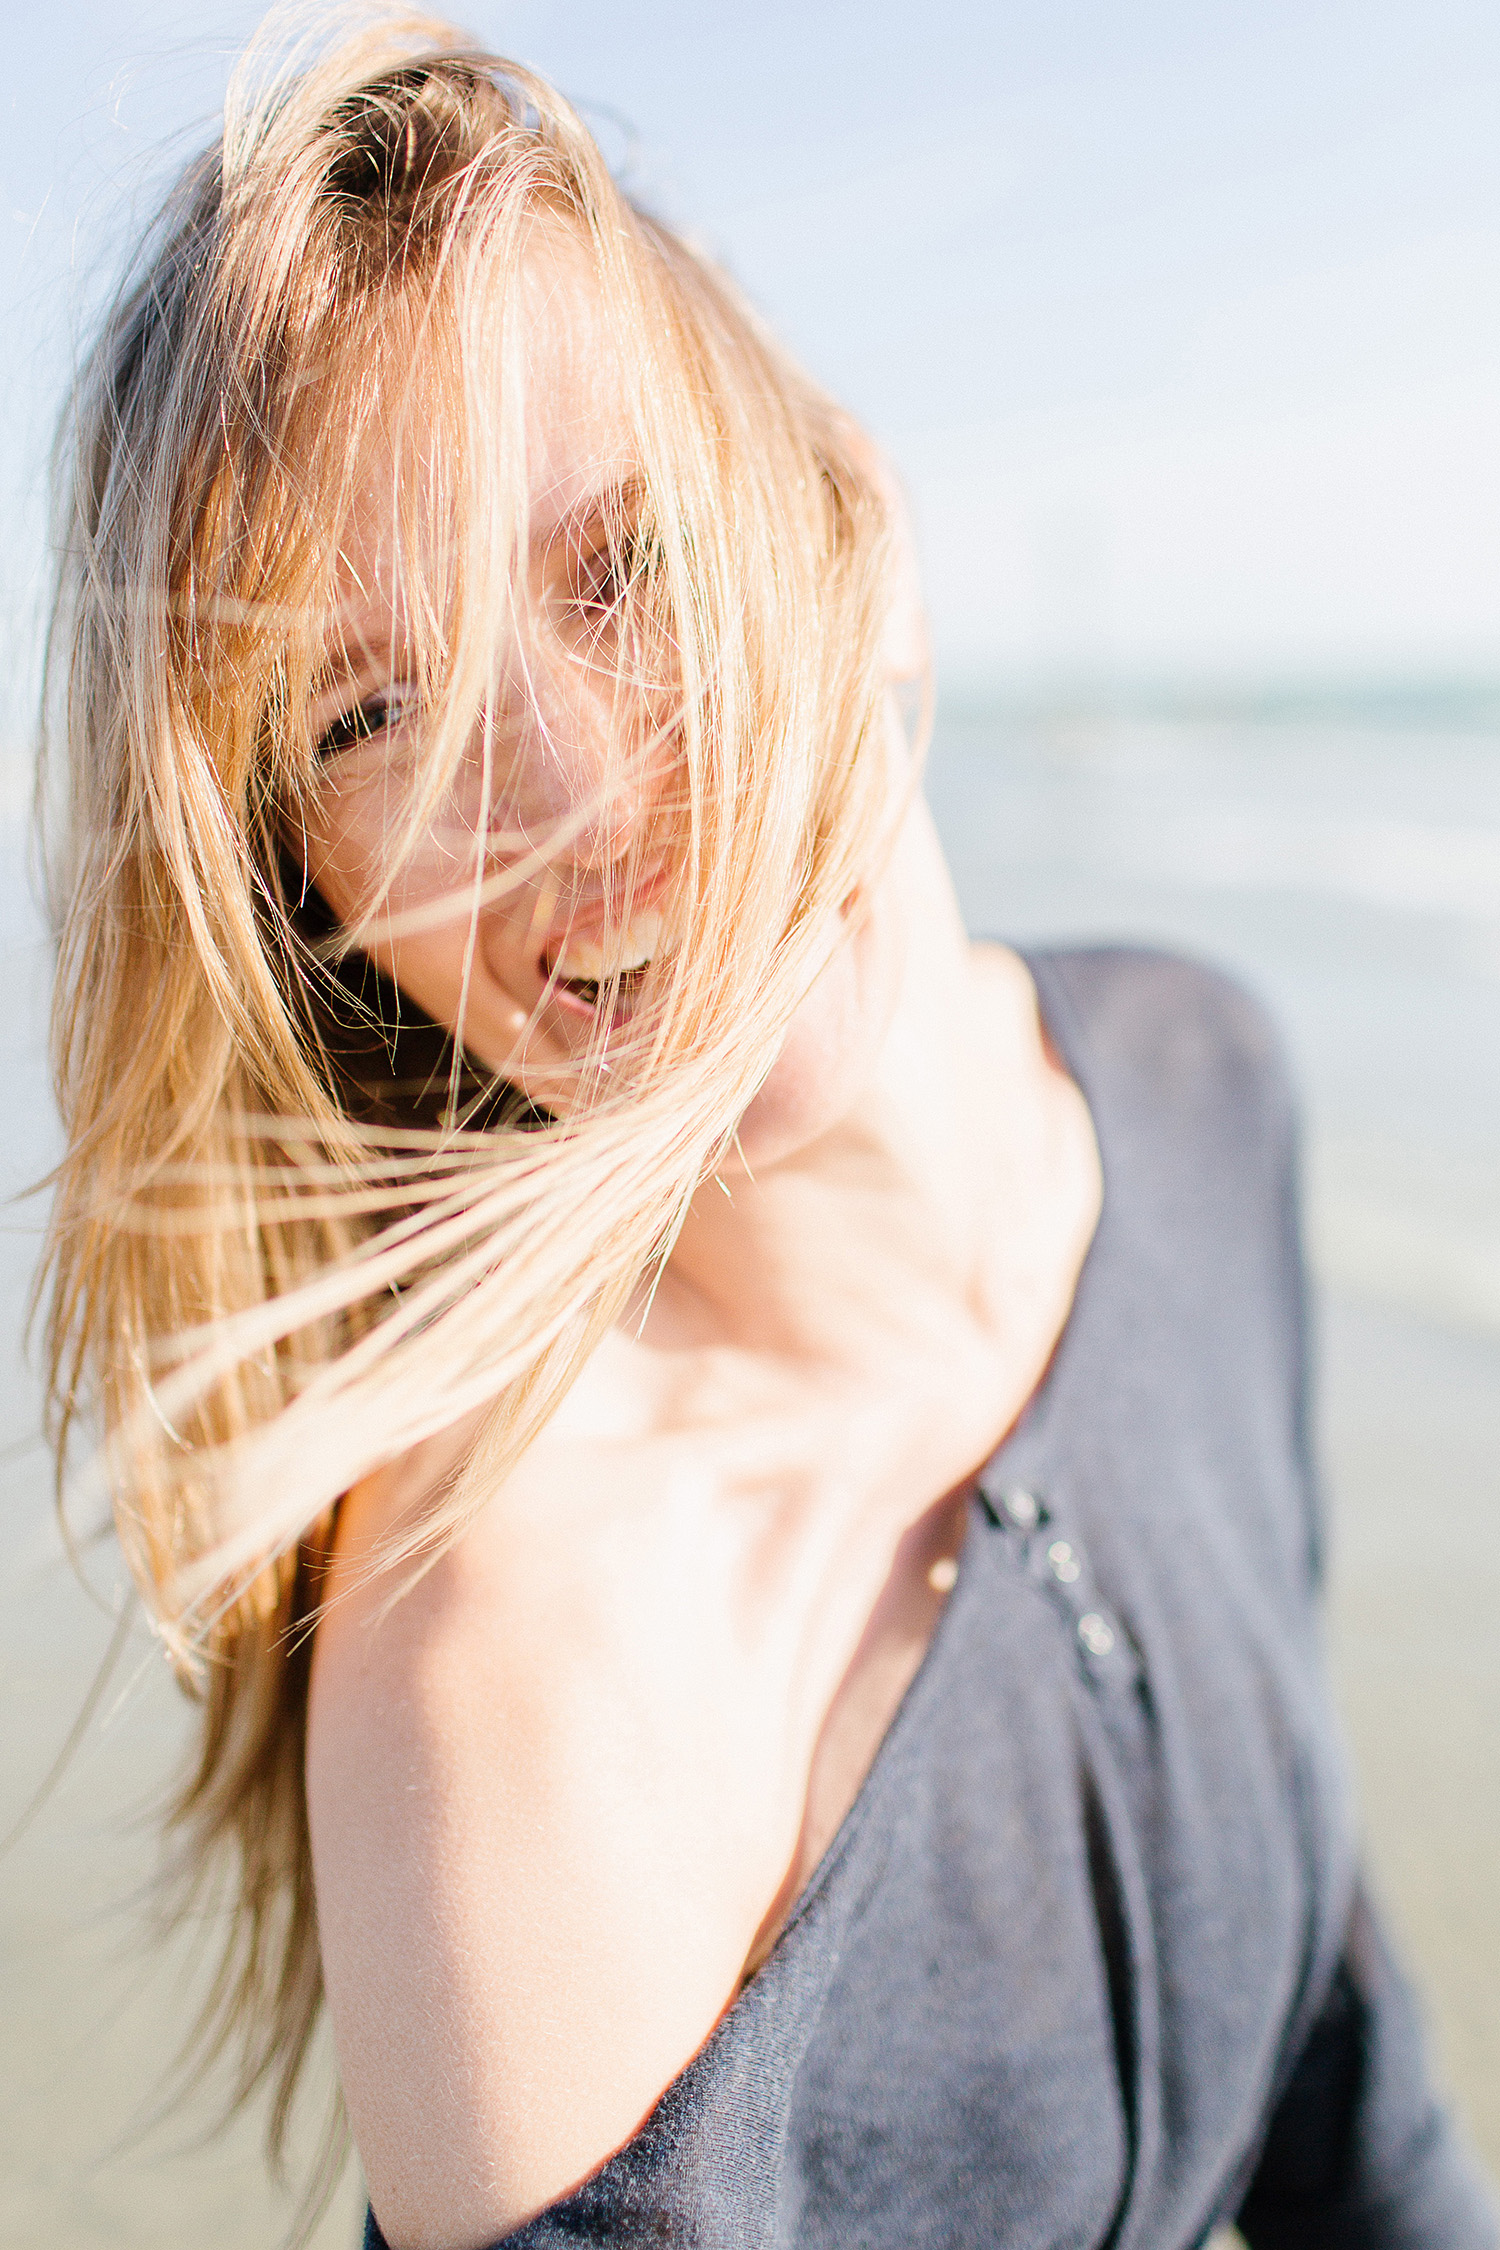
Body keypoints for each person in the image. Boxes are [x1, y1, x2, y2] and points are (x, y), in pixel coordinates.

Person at [38, 12, 1498, 2249]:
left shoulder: (1200, 1085)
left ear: (865, 527)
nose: (580, 806)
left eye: (623, 560)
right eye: (365, 711)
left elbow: (1341, 2062)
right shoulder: (517, 1706)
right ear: (315, 913)